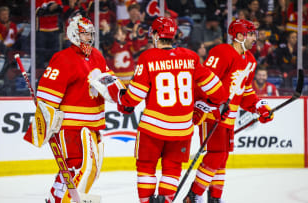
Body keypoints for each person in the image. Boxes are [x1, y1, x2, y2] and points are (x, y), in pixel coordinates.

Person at [91, 16, 228, 203]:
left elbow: (133, 98)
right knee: (172, 167)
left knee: (146, 166)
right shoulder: (191, 57)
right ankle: (166, 200)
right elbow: (219, 94)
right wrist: (205, 106)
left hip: (153, 127)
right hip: (182, 129)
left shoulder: (148, 57)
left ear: (155, 35)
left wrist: (118, 95)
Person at [25, 15, 122, 202]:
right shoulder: (63, 58)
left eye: (90, 34)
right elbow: (46, 96)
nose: (89, 38)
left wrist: (123, 98)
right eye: (85, 34)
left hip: (93, 125)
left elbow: (111, 82)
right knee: (82, 168)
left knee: (75, 169)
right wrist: (45, 124)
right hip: (71, 126)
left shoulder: (97, 56)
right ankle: (67, 200)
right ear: (74, 34)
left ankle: (55, 198)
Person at [186, 19, 275, 203]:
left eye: (254, 34)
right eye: (250, 34)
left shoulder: (250, 60)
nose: (254, 38)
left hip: (229, 117)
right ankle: (194, 195)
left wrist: (259, 107)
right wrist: (206, 106)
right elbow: (203, 82)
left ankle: (215, 197)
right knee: (216, 154)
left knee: (222, 157)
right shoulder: (222, 52)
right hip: (212, 113)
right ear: (239, 36)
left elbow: (245, 91)